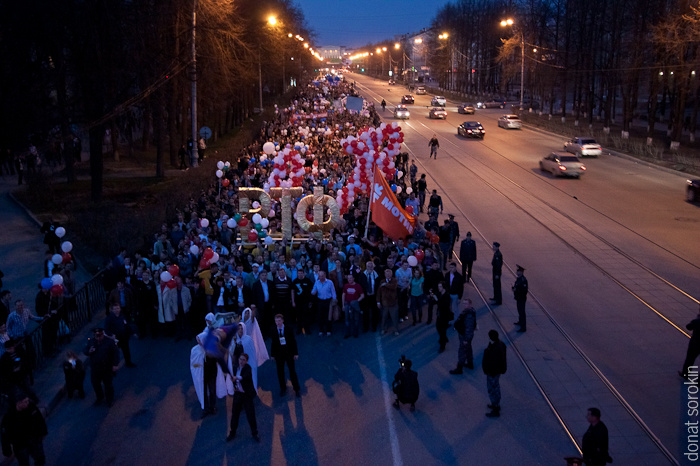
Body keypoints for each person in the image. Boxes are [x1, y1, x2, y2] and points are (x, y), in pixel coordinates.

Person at [1, 393, 48, 466]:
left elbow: (40, 420)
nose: (28, 403)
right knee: (24, 463)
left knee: (40, 459)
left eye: (27, 400)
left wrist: (43, 432)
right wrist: (7, 450)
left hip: (34, 440)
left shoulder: (31, 407)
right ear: (18, 403)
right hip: (20, 445)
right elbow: (5, 435)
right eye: (25, 402)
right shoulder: (9, 417)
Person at [226, 353, 260, 443]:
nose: (241, 361)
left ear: (246, 361)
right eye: (240, 359)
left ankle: (255, 433)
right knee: (235, 414)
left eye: (243, 360)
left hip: (246, 395)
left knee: (250, 414)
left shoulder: (247, 368)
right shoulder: (235, 368)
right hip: (238, 394)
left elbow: (245, 377)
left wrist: (237, 378)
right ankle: (232, 432)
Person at [84, 327, 120, 407]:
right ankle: (99, 397)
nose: (98, 338)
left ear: (102, 334)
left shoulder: (109, 342)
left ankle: (109, 399)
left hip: (106, 367)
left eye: (100, 336)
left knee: (108, 385)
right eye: (96, 336)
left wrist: (115, 364)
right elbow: (85, 350)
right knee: (95, 383)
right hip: (95, 368)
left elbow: (115, 353)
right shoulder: (91, 341)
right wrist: (89, 351)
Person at [270, 314, 300, 397]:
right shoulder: (273, 330)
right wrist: (272, 355)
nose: (278, 323)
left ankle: (296, 389)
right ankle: (283, 388)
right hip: (279, 354)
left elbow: (293, 341)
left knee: (292, 371)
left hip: (289, 353)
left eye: (279, 321)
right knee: (280, 372)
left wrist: (295, 353)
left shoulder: (288, 329)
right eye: (276, 321)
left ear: (283, 320)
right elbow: (273, 343)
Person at [483, 330, 507, 417]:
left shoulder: (493, 349)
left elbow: (491, 362)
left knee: (493, 389)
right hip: (497, 371)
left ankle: (495, 408)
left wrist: (488, 371)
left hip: (492, 372)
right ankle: (495, 405)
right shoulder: (500, 345)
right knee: (495, 387)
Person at [450, 298, 477, 373]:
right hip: (466, 336)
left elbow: (469, 328)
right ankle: (470, 363)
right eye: (464, 304)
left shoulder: (469, 315)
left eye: (466, 304)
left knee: (462, 351)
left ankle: (459, 368)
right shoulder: (469, 311)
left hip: (465, 336)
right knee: (468, 349)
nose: (465, 305)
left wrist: (466, 339)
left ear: (470, 304)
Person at [105, 303, 135, 367]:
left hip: (124, 336)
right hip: (116, 338)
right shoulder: (109, 318)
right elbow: (106, 329)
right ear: (112, 310)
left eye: (118, 308)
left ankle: (128, 362)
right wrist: (111, 335)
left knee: (126, 350)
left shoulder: (122, 316)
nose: (117, 310)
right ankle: (112, 365)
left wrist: (131, 332)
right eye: (115, 309)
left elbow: (126, 325)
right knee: (114, 351)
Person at [229, 322, 258, 388]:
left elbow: (252, 353)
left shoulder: (248, 339)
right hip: (238, 364)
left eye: (242, 329)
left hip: (247, 363)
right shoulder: (235, 340)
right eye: (239, 329)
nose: (240, 330)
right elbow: (232, 352)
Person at [311, 271, 336, 336]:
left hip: (328, 300)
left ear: (325, 275)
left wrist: (334, 299)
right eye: (320, 276)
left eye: (322, 276)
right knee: (320, 315)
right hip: (320, 301)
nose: (321, 277)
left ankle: (328, 330)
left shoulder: (330, 282)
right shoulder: (317, 282)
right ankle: (321, 330)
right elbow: (313, 291)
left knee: (328, 316)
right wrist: (313, 292)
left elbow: (333, 292)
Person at [377, 268, 400, 336]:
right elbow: (379, 292)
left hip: (393, 303)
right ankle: (383, 329)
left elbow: (393, 287)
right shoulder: (382, 281)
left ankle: (396, 330)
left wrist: (385, 284)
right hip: (385, 303)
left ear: (391, 274)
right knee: (384, 317)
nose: (388, 275)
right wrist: (378, 301)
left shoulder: (394, 281)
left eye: (389, 274)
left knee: (394, 318)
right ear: (384, 274)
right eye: (386, 274)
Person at [680, 307, 700, 380]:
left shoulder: (696, 321)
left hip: (695, 343)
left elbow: (688, 327)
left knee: (690, 359)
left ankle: (685, 374)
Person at [341, 273, 364, 339]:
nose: (349, 280)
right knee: (347, 319)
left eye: (351, 278)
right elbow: (343, 295)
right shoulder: (346, 286)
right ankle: (347, 332)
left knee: (355, 318)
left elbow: (362, 295)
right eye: (348, 278)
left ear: (353, 278)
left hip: (354, 305)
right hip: (347, 304)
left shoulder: (358, 286)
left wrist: (356, 301)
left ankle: (355, 332)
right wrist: (343, 305)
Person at [434, 282, 452, 353]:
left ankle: (442, 345)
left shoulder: (447, 296)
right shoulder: (440, 294)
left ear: (443, 287)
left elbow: (444, 305)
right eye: (438, 286)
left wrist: (437, 300)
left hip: (444, 316)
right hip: (439, 315)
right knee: (438, 327)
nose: (439, 288)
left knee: (442, 330)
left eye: (440, 287)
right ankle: (444, 339)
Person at [512, 265, 528, 332]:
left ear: (522, 272)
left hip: (521, 298)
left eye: (519, 271)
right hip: (518, 297)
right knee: (519, 310)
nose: (517, 272)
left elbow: (524, 291)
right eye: (517, 271)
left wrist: (516, 290)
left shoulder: (523, 280)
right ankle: (520, 321)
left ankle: (523, 327)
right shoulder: (519, 278)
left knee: (522, 312)